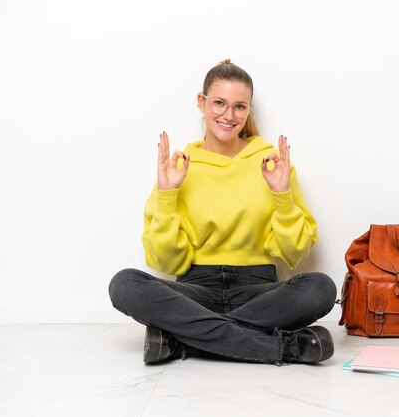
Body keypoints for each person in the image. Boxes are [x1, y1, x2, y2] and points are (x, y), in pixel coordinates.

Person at [108, 59, 336, 365]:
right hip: (195, 290)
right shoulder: (178, 167)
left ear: (249, 110)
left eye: (239, 106)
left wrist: (282, 196)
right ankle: (282, 348)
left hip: (258, 290)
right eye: (219, 103)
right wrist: (167, 194)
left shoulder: (271, 163)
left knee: (320, 288)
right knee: (124, 284)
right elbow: (164, 260)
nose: (229, 115)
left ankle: (182, 342)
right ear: (201, 103)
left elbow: (295, 253)